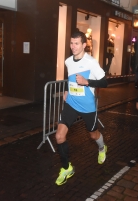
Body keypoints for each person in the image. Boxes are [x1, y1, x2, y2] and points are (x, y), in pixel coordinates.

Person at [55, 31, 108, 185]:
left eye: (76, 43)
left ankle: (102, 148)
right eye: (71, 43)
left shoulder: (91, 62)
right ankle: (67, 168)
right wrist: (66, 89)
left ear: (84, 45)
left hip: (87, 106)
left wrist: (87, 82)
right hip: (71, 103)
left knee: (93, 135)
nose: (73, 46)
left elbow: (104, 82)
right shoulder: (68, 61)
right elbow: (70, 77)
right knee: (59, 136)